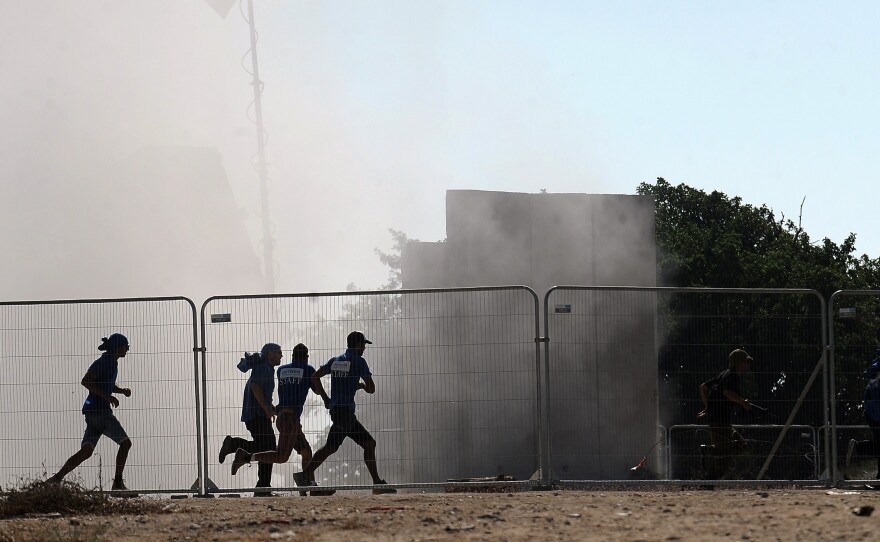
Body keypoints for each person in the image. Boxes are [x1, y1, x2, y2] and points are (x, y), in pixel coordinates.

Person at [293, 331, 396, 494]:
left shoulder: (335, 361)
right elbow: (371, 389)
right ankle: (303, 476)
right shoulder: (359, 361)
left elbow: (315, 376)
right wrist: (361, 385)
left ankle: (377, 484)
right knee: (330, 447)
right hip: (345, 413)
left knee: (369, 443)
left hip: (340, 412)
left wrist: (326, 398)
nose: (364, 349)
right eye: (363, 345)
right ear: (358, 345)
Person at [231, 343, 331, 495]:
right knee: (282, 456)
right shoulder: (308, 369)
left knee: (306, 451)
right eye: (278, 353)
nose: (281, 356)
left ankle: (309, 485)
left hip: (284, 417)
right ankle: (246, 457)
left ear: (292, 356)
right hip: (290, 420)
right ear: (307, 357)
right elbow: (316, 391)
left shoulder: (281, 370)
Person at [48, 333, 133, 491]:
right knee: (126, 443)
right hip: (101, 413)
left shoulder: (112, 363)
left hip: (92, 414)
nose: (127, 349)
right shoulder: (104, 362)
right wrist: (107, 397)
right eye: (126, 346)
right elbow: (86, 381)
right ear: (119, 347)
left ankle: (56, 479)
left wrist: (120, 391)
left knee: (86, 451)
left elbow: (105, 384)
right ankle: (118, 484)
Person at [218, 342, 282, 496]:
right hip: (257, 415)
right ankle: (234, 445)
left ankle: (263, 488)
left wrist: (272, 408)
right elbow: (255, 388)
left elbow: (262, 393)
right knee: (270, 449)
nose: (281, 355)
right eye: (278, 352)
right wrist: (267, 409)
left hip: (257, 414)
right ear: (269, 354)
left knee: (267, 448)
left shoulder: (265, 368)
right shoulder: (264, 368)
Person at [697, 348, 755, 479]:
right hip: (720, 422)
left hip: (723, 422)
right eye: (746, 362)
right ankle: (708, 482)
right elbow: (727, 393)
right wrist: (743, 402)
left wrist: (708, 406)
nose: (748, 365)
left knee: (741, 445)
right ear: (739, 362)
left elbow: (703, 387)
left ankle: (710, 450)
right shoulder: (732, 375)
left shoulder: (724, 374)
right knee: (725, 457)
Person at [845, 350, 880, 478]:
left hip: (871, 411)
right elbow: (869, 372)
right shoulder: (878, 362)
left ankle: (859, 447)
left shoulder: (877, 360)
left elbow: (869, 373)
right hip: (876, 412)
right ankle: (859, 447)